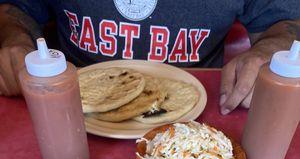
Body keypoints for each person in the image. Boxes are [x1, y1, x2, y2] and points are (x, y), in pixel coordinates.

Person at [0, 1, 299, 114]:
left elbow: (285, 21)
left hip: (200, 112)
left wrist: (269, 49)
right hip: (67, 111)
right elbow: (15, 8)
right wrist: (13, 38)